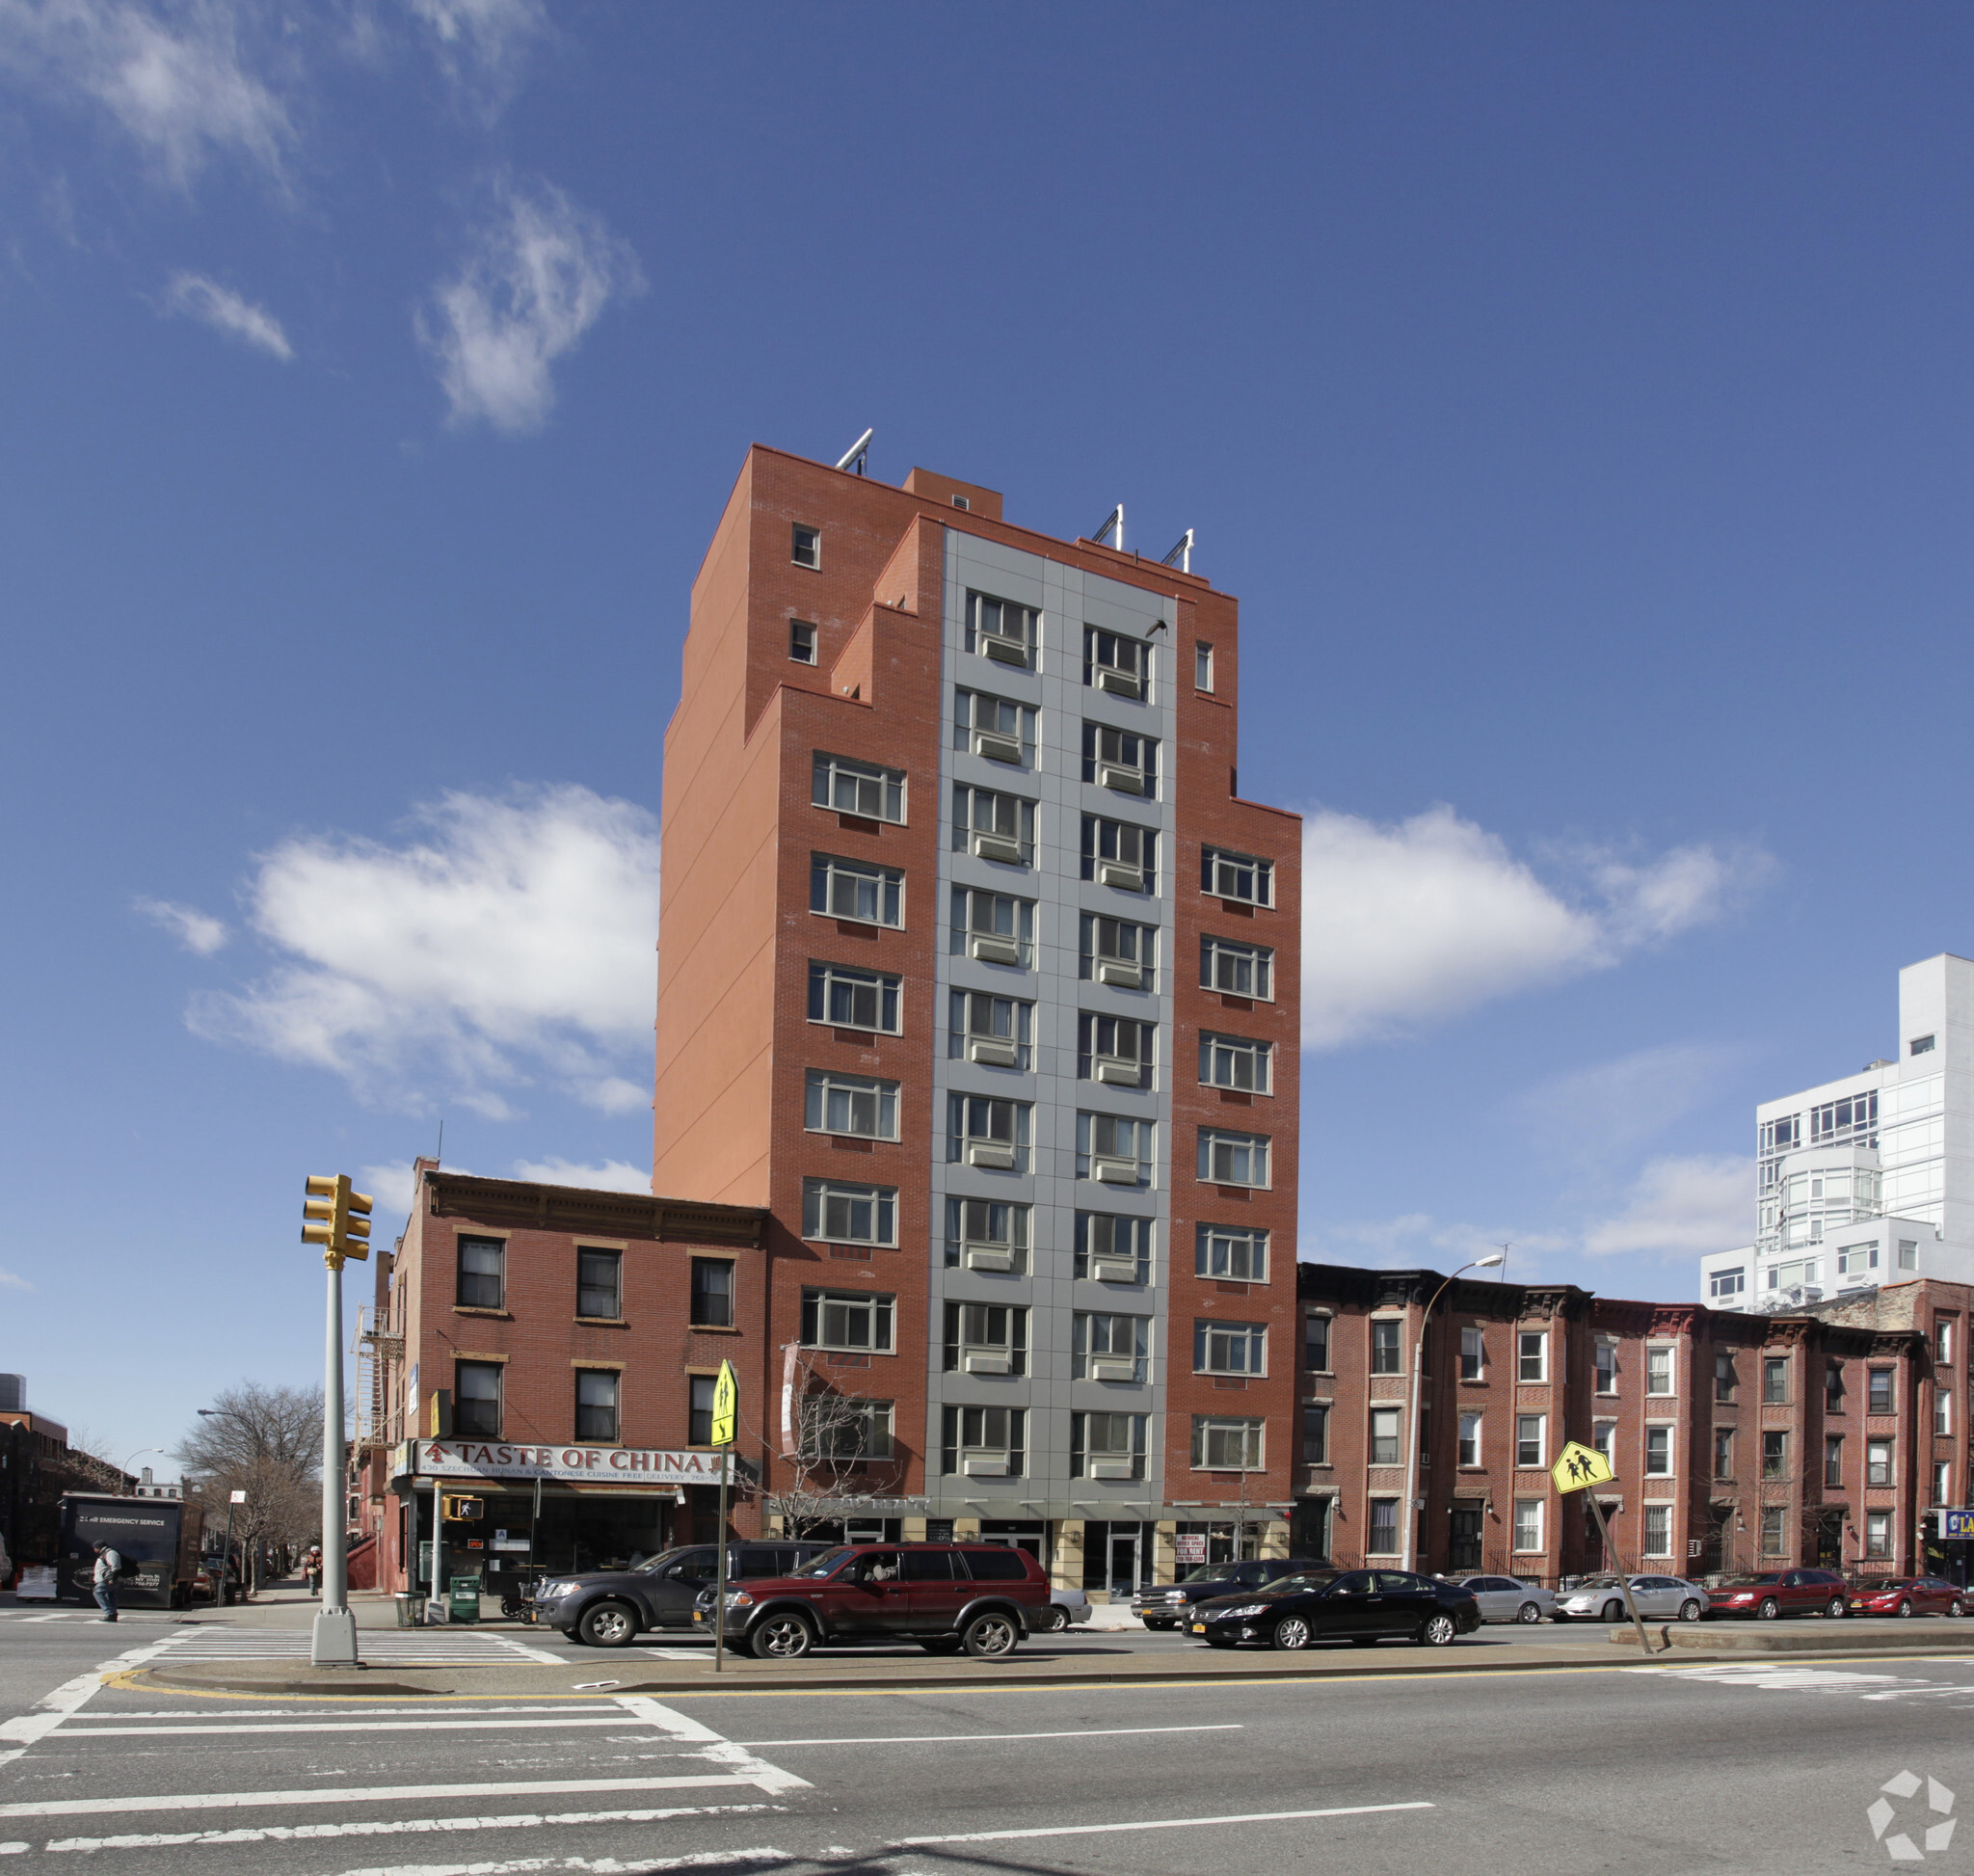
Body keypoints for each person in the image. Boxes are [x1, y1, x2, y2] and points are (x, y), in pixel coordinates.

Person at [91, 1541, 121, 1621]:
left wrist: (112, 1578)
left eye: (94, 1548)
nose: (94, 1550)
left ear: (98, 1547)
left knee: (98, 1592)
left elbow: (115, 1566)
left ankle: (110, 1613)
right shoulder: (105, 1553)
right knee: (110, 1595)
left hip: (107, 1580)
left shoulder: (110, 1553)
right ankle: (112, 1614)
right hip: (107, 1579)